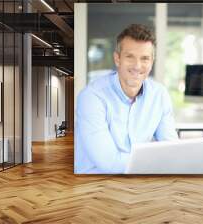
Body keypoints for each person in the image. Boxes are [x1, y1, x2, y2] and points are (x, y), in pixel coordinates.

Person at [75, 24, 178, 174]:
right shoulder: (92, 97)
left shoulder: (159, 95)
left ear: (152, 62)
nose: (137, 66)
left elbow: (171, 149)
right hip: (94, 185)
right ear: (117, 59)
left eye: (145, 58)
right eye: (130, 57)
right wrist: (158, 162)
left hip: (137, 182)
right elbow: (108, 163)